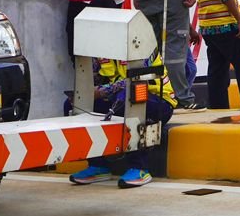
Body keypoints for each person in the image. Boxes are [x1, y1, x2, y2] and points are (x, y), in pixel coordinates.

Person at [66, 52, 177, 188]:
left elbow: (135, 80)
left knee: (129, 97)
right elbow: (95, 78)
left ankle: (140, 168)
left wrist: (101, 92)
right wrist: (83, 94)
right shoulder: (99, 48)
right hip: (118, 97)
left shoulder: (142, 44)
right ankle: (98, 165)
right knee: (74, 104)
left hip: (158, 101)